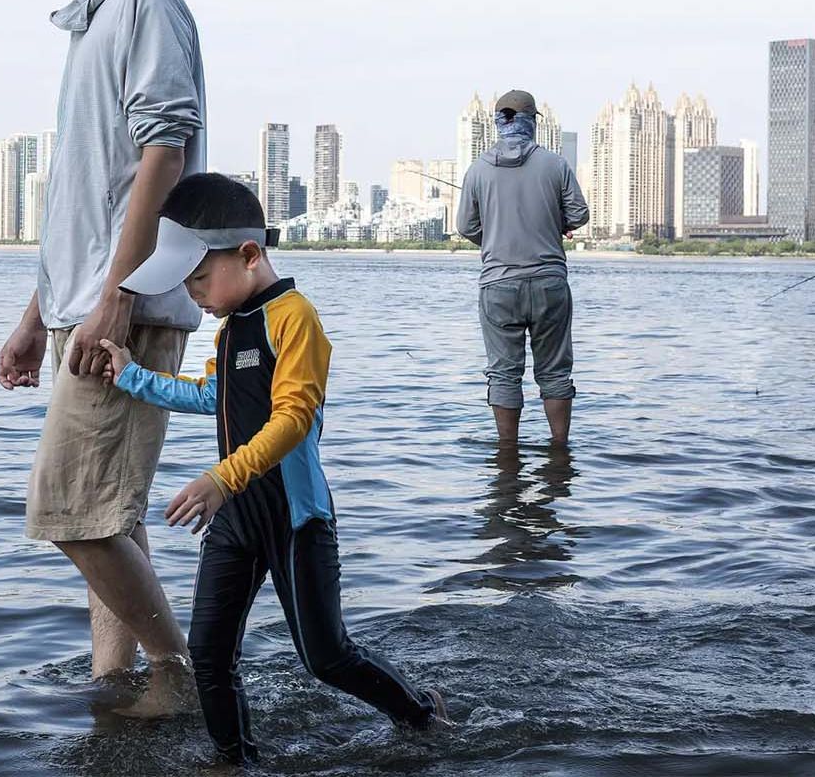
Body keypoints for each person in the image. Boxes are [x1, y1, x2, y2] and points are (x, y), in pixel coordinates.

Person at [96, 173, 449, 764]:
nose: (194, 295)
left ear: (249, 254)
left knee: (326, 657)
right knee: (209, 655)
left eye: (199, 278)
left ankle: (421, 714)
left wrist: (220, 478)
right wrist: (131, 376)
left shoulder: (294, 318)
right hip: (236, 519)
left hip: (295, 520)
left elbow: (292, 419)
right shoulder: (231, 328)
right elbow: (213, 396)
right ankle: (234, 762)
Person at [0, 0, 207, 712]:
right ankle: (116, 690)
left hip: (125, 314)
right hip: (84, 310)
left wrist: (119, 293)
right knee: (109, 515)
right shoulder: (95, 19)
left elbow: (166, 148)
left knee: (69, 511)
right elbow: (85, 204)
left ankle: (180, 675)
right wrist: (35, 316)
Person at [456, 89, 590, 447]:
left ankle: (507, 453)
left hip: (498, 286)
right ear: (533, 122)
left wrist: (495, 238)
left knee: (503, 374)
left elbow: (466, 226)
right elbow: (579, 214)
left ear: (498, 122)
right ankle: (559, 449)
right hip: (549, 284)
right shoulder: (555, 164)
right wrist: (556, 224)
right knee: (555, 372)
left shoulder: (477, 169)